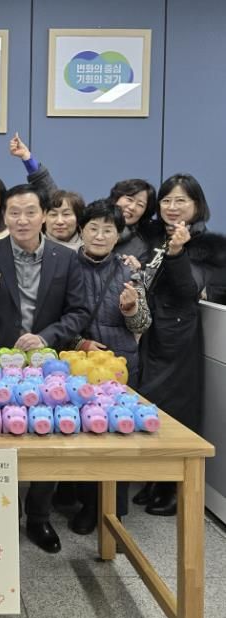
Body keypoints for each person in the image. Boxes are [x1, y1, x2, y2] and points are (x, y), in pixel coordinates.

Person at [0, 183, 90, 553]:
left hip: (45, 365)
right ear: (4, 216)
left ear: (44, 215)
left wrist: (46, 337)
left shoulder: (66, 258)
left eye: (30, 212)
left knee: (46, 440)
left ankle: (38, 517)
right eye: (14, 212)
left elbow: (80, 311)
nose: (22, 220)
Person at [134, 174, 226, 516]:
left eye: (181, 200)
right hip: (153, 330)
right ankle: (156, 480)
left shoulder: (206, 246)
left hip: (177, 334)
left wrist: (176, 254)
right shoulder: (157, 236)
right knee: (152, 403)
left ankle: (174, 487)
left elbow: (189, 290)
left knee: (176, 408)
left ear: (197, 205)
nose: (172, 207)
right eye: (166, 200)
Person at [67, 199, 151, 535]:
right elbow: (55, 316)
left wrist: (132, 309)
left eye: (108, 230)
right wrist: (79, 343)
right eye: (93, 228)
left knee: (118, 434)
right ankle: (89, 504)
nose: (100, 236)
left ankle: (114, 511)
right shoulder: (65, 266)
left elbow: (143, 323)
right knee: (84, 434)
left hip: (119, 366)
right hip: (78, 363)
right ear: (81, 230)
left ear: (118, 236)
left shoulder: (130, 271)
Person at [108, 178, 157, 261]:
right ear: (116, 198)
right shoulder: (90, 223)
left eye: (140, 205)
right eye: (129, 199)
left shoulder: (140, 249)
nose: (132, 207)